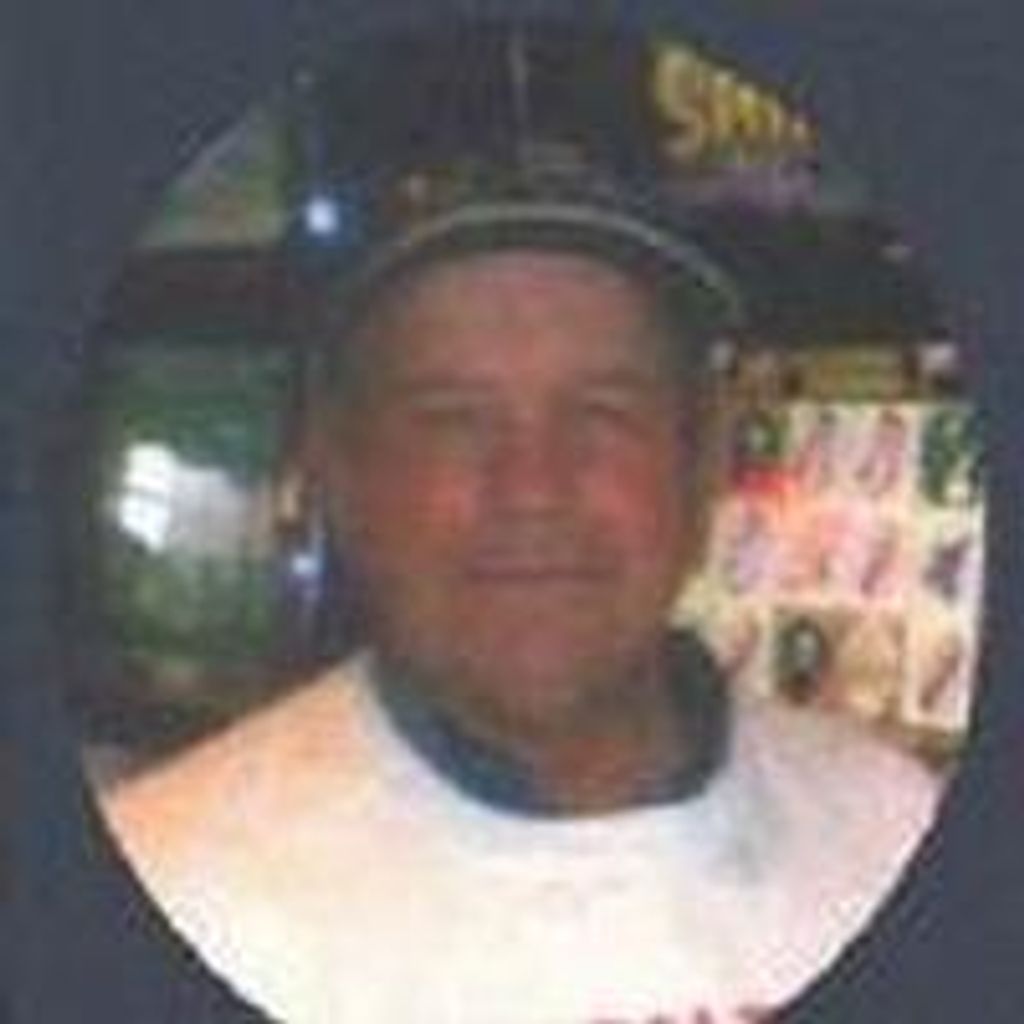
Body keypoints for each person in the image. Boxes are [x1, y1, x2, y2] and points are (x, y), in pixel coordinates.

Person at [104, 177, 938, 1024]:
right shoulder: (178, 886)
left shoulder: (890, 827)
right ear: (338, 475)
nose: (532, 487)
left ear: (704, 463)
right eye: (452, 419)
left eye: (604, 411)